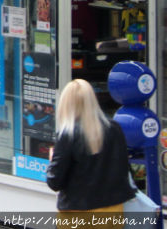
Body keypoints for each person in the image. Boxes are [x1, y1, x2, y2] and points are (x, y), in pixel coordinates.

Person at [46, 78, 136, 219]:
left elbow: (54, 182)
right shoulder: (114, 129)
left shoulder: (68, 135)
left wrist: (52, 161)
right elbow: (124, 170)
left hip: (78, 214)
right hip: (113, 210)